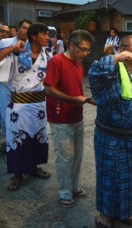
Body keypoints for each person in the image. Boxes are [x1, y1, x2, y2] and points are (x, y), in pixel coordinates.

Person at [88, 35, 132, 227]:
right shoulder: (113, 71)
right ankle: (105, 216)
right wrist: (117, 57)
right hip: (110, 137)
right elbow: (95, 71)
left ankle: (124, 214)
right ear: (123, 49)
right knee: (109, 179)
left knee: (128, 180)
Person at [0, 23, 52, 191]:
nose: (47, 37)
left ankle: (33, 168)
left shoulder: (48, 54)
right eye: (44, 34)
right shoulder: (18, 52)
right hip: (19, 105)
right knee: (16, 139)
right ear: (33, 36)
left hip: (39, 105)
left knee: (38, 137)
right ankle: (17, 173)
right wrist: (12, 47)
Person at [44, 30, 95, 207]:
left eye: (88, 50)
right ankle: (64, 192)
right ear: (71, 45)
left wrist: (88, 98)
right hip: (60, 118)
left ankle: (74, 186)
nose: (85, 53)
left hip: (77, 115)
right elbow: (48, 89)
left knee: (77, 155)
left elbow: (75, 87)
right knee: (65, 157)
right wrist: (74, 100)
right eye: (83, 49)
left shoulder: (78, 63)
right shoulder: (57, 61)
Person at [0, 19, 32, 154]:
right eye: (24, 27)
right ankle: (8, 141)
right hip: (5, 85)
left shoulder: (32, 45)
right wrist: (13, 49)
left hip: (24, 88)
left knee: (23, 117)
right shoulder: (5, 42)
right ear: (18, 28)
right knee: (5, 115)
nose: (26, 31)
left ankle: (21, 142)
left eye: (29, 29)